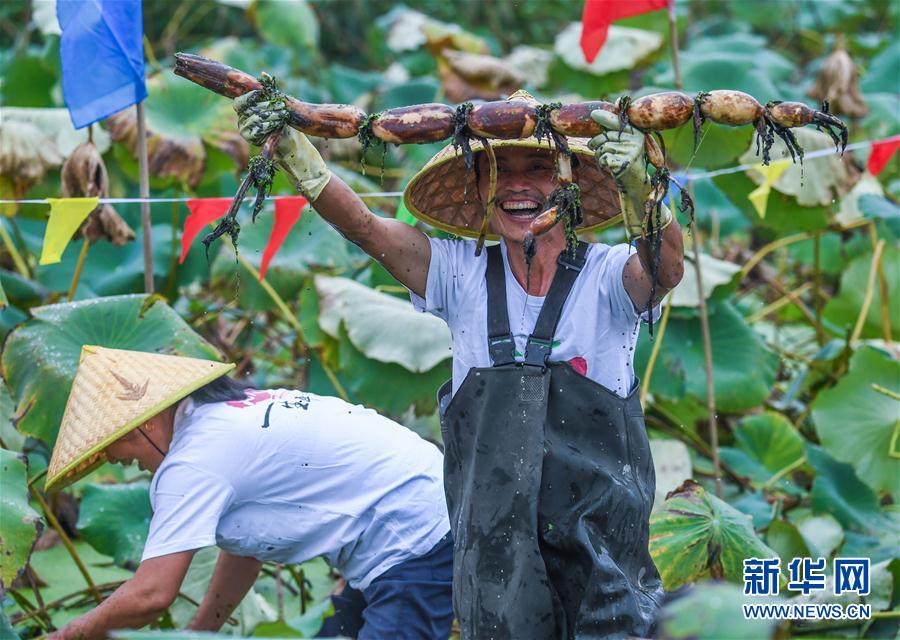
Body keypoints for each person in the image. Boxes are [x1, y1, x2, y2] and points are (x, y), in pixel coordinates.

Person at [234, 88, 685, 639]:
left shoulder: (610, 276)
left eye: (539, 167)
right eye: (499, 170)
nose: (518, 186)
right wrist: (294, 152)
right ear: (477, 187)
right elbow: (365, 227)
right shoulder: (457, 272)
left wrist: (642, 185)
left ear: (569, 182)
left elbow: (663, 268)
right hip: (495, 567)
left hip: (603, 557)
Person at [45, 346, 452, 640]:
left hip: (411, 539)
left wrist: (66, 636)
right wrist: (200, 634)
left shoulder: (192, 459)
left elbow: (152, 594)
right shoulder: (220, 415)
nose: (113, 459)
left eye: (112, 446)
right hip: (415, 511)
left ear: (142, 425)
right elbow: (247, 548)